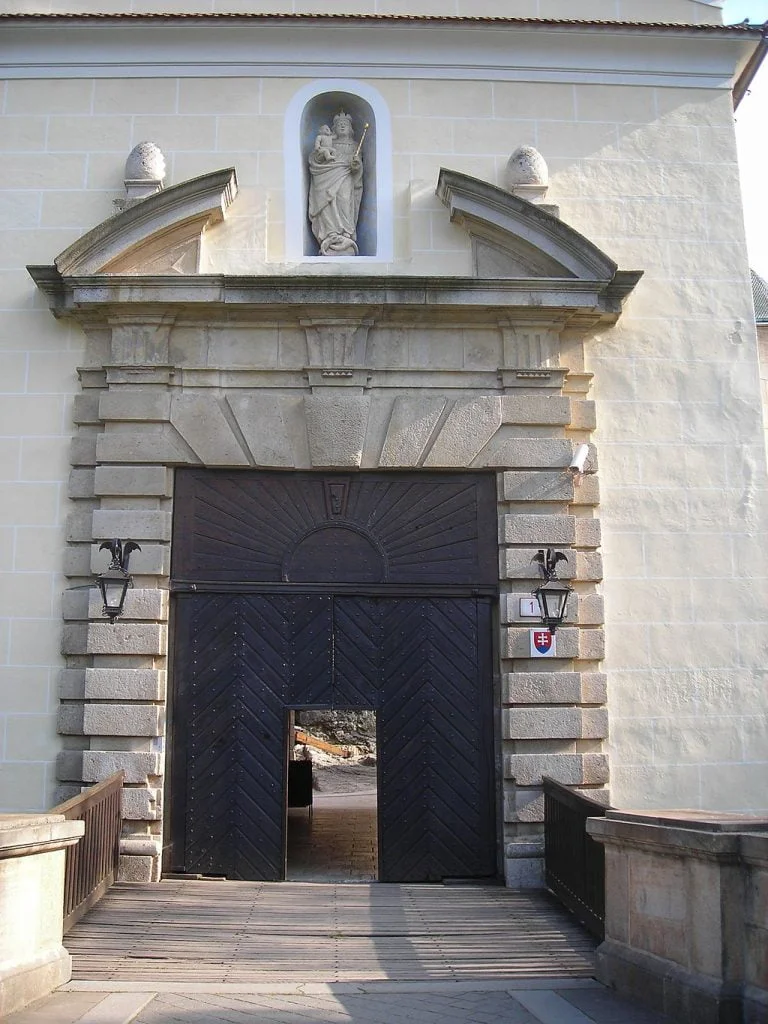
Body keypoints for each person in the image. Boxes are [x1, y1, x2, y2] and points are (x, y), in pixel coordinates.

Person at [308, 111, 363, 256]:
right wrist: (320, 156)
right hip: (327, 174)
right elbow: (318, 156)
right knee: (327, 202)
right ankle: (330, 233)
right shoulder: (330, 141)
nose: (342, 126)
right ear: (334, 128)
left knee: (344, 200)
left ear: (351, 128)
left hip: (345, 176)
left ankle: (346, 234)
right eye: (339, 125)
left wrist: (356, 165)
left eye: (345, 124)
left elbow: (358, 167)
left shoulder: (355, 145)